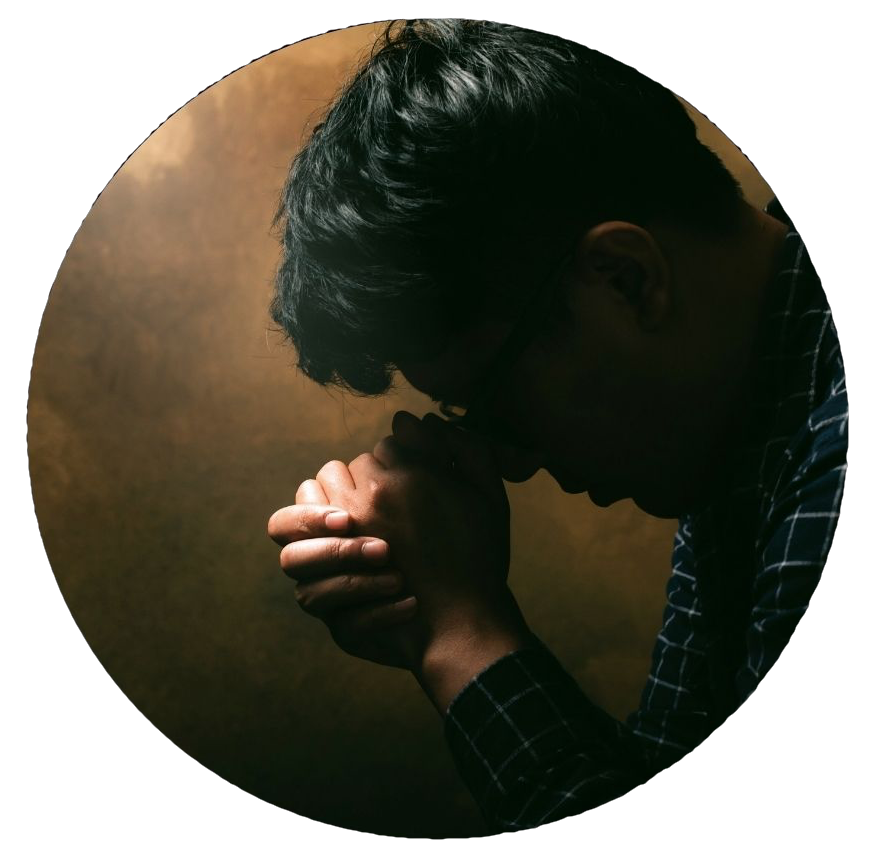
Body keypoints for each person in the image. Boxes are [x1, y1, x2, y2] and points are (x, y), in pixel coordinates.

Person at [266, 19, 846, 831]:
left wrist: (458, 629)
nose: (509, 461)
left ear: (625, 279)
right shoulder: (743, 424)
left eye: (499, 402)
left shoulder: (834, 456)